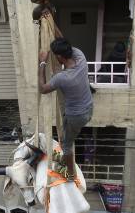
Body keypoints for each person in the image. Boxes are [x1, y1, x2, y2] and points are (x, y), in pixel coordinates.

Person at [39, 36, 94, 180]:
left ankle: (70, 174)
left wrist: (42, 62)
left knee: (66, 144)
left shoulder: (62, 77)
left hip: (76, 116)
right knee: (68, 135)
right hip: (88, 109)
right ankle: (66, 160)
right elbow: (63, 38)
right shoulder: (80, 57)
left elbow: (43, 89)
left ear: (59, 56)